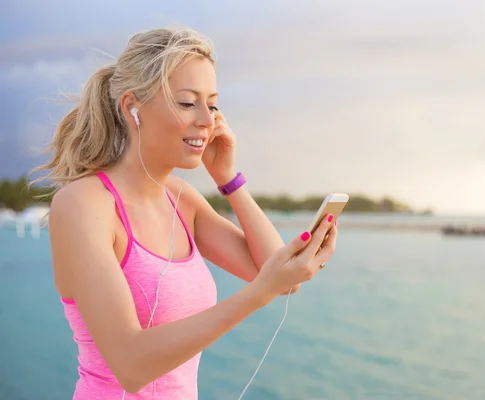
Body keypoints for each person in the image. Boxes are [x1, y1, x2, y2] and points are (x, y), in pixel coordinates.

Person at [36, 27, 338, 399]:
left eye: (212, 104)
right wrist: (259, 293)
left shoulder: (183, 199)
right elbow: (130, 366)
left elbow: (280, 274)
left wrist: (228, 180)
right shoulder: (83, 204)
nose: (207, 120)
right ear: (133, 108)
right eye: (186, 102)